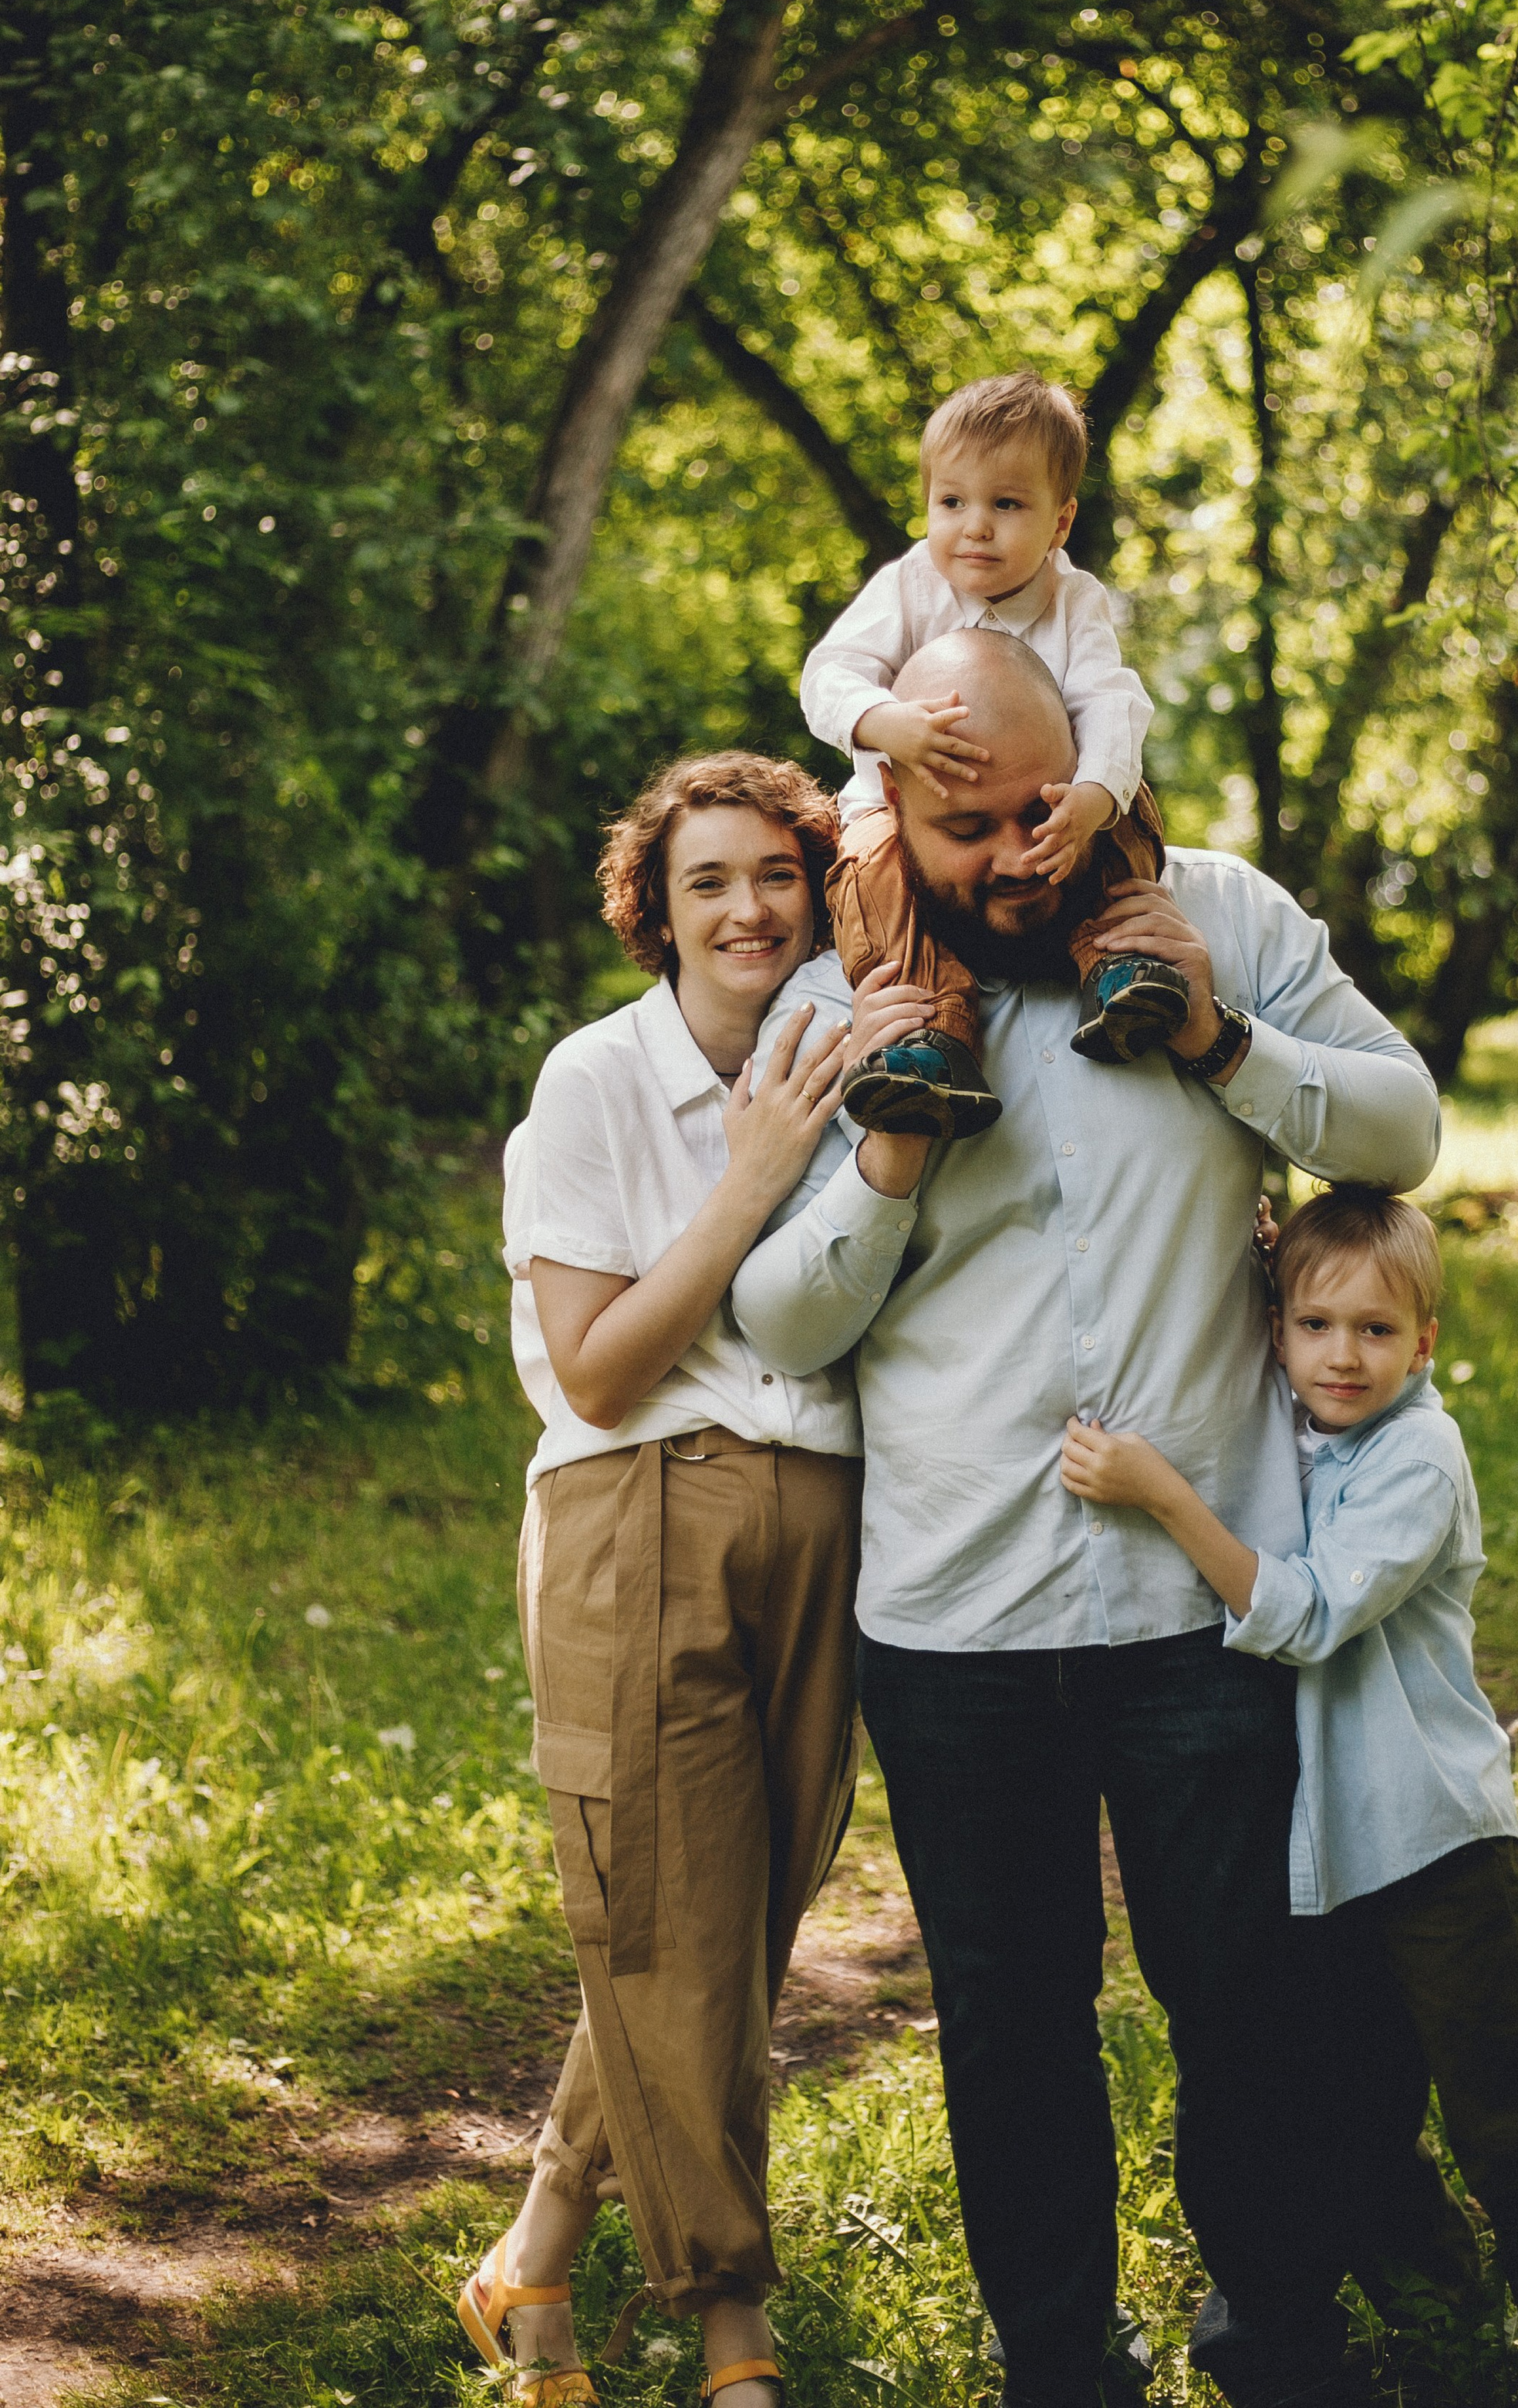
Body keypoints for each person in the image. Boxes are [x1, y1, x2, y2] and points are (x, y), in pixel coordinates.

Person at [732, 627, 1449, 2408]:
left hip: (1198, 1603)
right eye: (957, 821)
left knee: (1247, 1996)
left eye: (1035, 808)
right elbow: (782, 1318)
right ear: (890, 805)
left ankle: (1275, 2338)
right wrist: (889, 1159)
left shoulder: (1223, 913)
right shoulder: (843, 986)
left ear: (1090, 779)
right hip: (957, 1621)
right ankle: (1058, 2360)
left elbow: (1401, 1120)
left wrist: (1216, 1033)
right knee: (1010, 2026)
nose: (1004, 856)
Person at [461, 751, 925, 2408]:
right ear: (652, 914)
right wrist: (741, 1187)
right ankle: (734, 2335)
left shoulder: (845, 1045)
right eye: (706, 882)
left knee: (719, 1938)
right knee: (668, 1925)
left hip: (826, 1523)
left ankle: (529, 2253)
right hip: (637, 1511)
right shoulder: (593, 1083)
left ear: (818, 895)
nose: (746, 907)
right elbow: (591, 1372)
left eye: (777, 876)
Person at [1060, 1186, 1518, 2408]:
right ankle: (1442, 2307)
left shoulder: (1417, 1457)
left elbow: (1309, 1613)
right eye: (1317, 1325)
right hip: (1327, 1860)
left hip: (1437, 1849)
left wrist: (1163, 1493)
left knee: (1512, 2115)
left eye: (1379, 1332)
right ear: (1276, 1333)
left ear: (1426, 1343)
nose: (1345, 1354)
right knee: (1356, 2105)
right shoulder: (1299, 1433)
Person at [799, 370, 1185, 1143]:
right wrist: (883, 721)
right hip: (914, 812)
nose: (974, 527)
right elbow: (826, 673)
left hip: (1046, 812)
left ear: (1060, 521)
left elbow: (1112, 704)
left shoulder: (1073, 601)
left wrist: (1092, 796)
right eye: (952, 502)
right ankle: (930, 1032)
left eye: (1006, 505)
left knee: (1128, 814)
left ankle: (1113, 968)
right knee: (869, 873)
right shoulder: (909, 586)